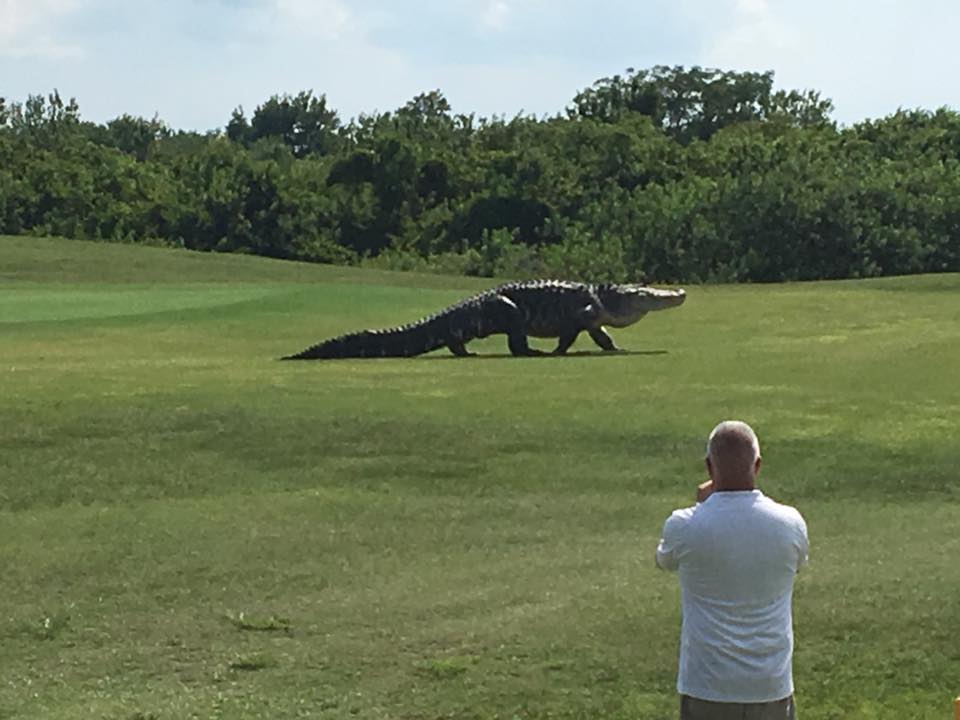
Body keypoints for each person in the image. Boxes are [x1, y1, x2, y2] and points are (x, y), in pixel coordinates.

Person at [656, 420, 809, 720]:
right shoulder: (790, 524)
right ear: (757, 465)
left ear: (709, 467)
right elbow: (798, 563)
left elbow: (663, 559)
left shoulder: (684, 525)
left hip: (707, 685)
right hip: (770, 684)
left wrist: (703, 505)